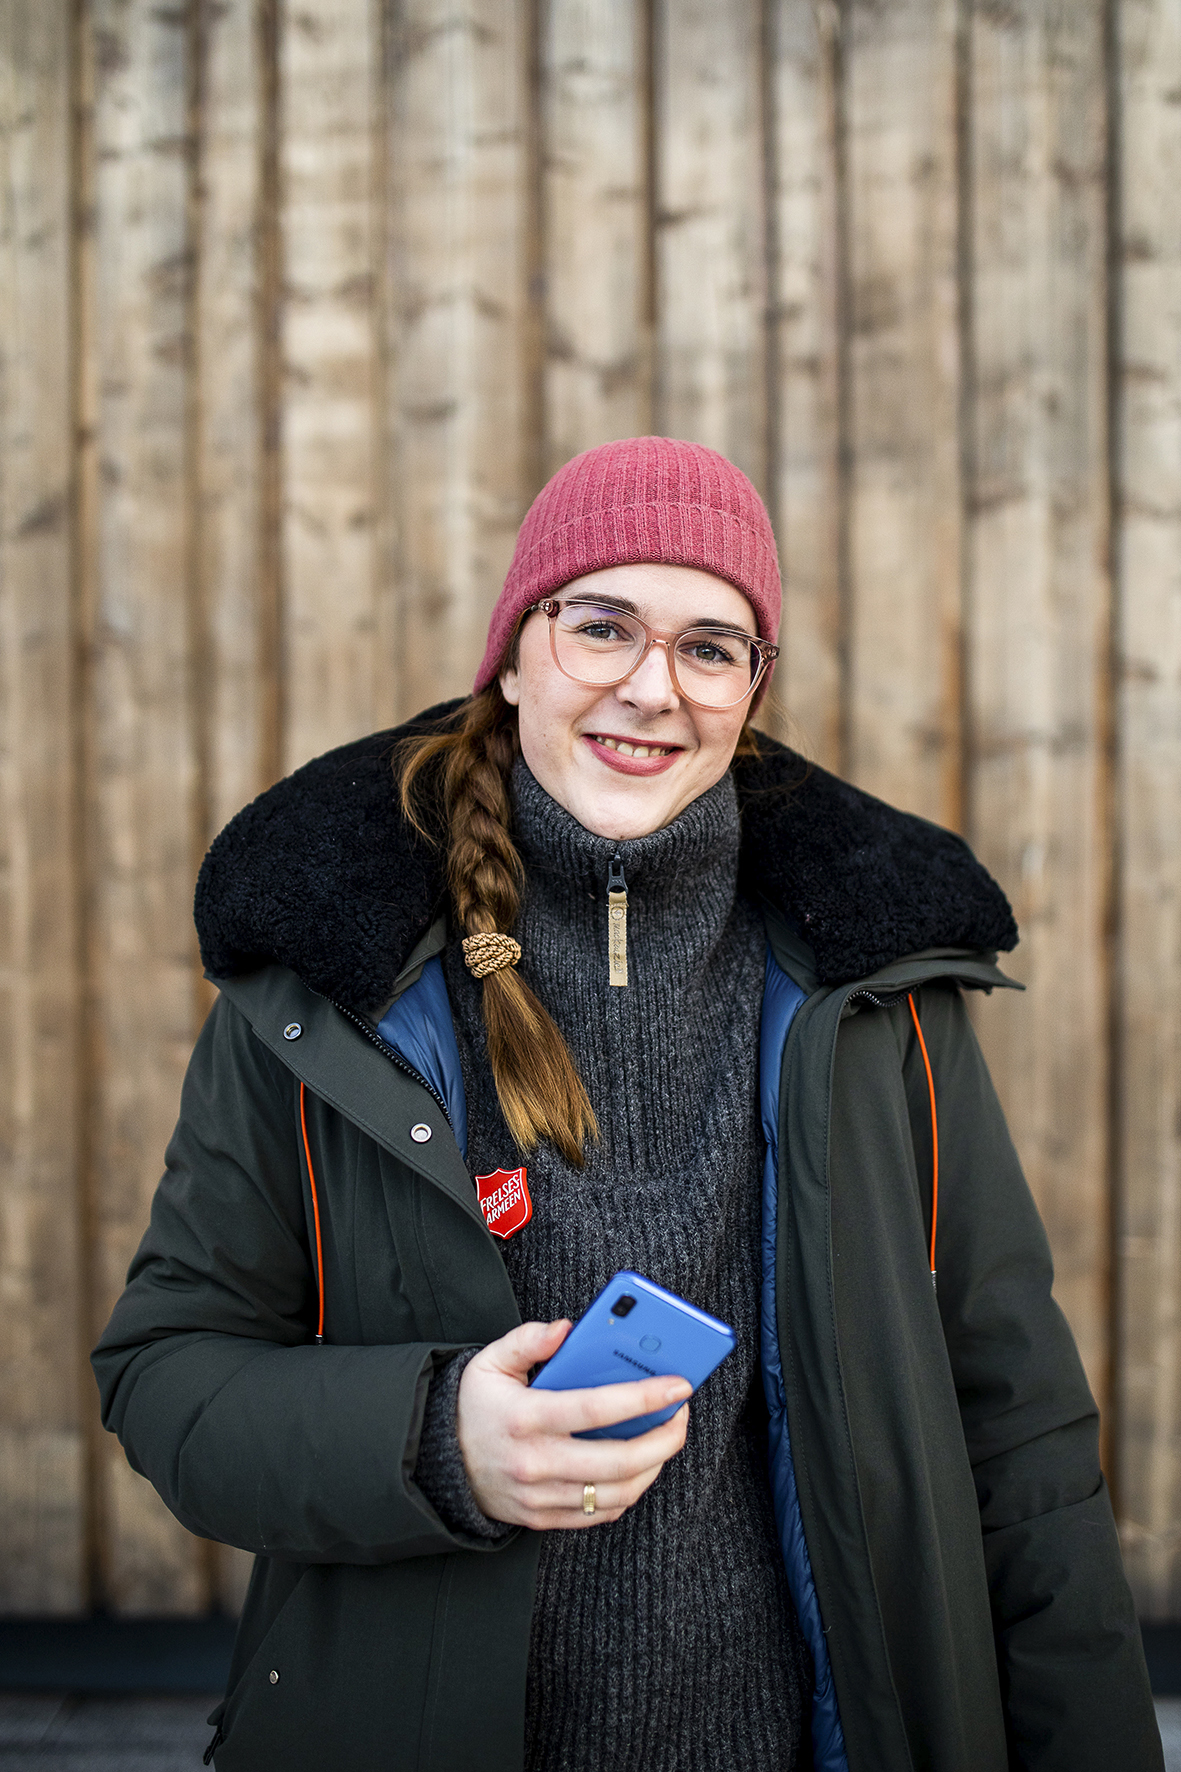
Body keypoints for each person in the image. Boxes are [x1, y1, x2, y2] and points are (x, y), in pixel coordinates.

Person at [93, 437, 1161, 1772]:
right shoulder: (324, 983)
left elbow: (1016, 1424)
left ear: (751, 688)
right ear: (515, 648)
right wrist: (433, 1441)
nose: (652, 688)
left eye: (711, 648)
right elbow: (168, 1373)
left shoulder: (878, 986)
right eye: (602, 626)